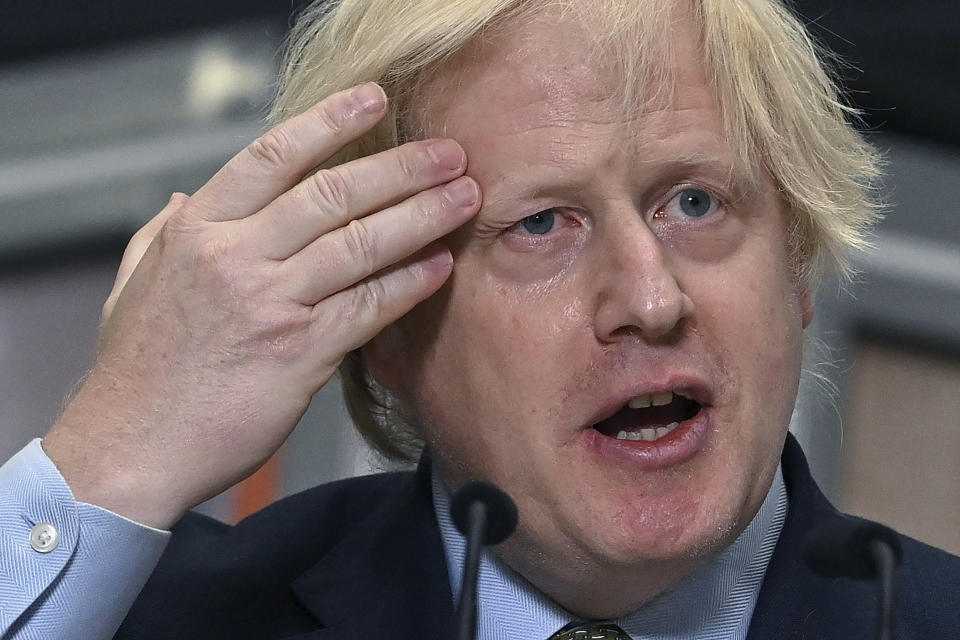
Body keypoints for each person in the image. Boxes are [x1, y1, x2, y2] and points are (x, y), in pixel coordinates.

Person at [1, 0, 958, 638]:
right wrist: (115, 454)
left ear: (795, 266)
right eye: (541, 224)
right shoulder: (155, 616)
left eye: (696, 203)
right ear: (379, 317)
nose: (651, 299)